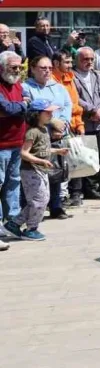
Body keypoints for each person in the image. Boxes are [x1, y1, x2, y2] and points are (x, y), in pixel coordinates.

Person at [4, 100, 67, 241]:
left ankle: (14, 224)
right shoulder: (32, 132)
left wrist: (57, 150)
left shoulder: (44, 129)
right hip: (31, 171)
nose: (51, 114)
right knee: (39, 200)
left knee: (42, 200)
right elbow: (24, 153)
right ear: (37, 114)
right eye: (47, 112)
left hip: (40, 170)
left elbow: (42, 149)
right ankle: (31, 229)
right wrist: (41, 161)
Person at [23, 54, 74, 219]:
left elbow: (67, 105)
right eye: (43, 68)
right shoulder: (26, 87)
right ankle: (30, 209)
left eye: (50, 68)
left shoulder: (58, 87)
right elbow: (31, 108)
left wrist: (63, 124)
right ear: (32, 69)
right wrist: (52, 123)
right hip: (37, 135)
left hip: (58, 134)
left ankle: (56, 206)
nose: (47, 71)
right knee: (36, 173)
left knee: (56, 171)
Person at [72, 47, 100, 201]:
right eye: (84, 59)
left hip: (98, 123)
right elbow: (75, 98)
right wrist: (93, 110)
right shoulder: (72, 76)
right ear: (77, 60)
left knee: (95, 155)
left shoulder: (96, 75)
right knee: (80, 157)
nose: (88, 62)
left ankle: (91, 188)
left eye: (91, 59)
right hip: (83, 123)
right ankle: (77, 191)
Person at [49, 51, 84, 206]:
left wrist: (79, 124)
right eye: (67, 62)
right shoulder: (50, 82)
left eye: (71, 62)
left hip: (69, 126)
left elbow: (74, 106)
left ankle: (71, 195)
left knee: (70, 163)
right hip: (54, 129)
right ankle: (58, 199)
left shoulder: (69, 78)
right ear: (56, 63)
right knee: (57, 165)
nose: (70, 66)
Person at [0, 52, 26, 240]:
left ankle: (13, 222)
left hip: (17, 141)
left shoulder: (17, 84)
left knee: (14, 182)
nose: (17, 71)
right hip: (1, 144)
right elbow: (6, 109)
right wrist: (22, 106)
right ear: (2, 67)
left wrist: (19, 107)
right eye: (13, 67)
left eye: (19, 67)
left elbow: (24, 107)